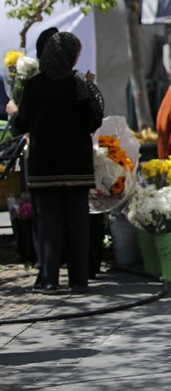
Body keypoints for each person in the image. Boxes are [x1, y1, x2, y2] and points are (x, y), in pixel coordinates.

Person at [13, 32, 104, 293]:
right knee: (77, 222)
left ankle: (49, 279)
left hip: (44, 166)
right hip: (76, 166)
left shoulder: (34, 85)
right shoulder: (79, 85)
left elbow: (21, 123)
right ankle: (79, 280)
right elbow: (93, 120)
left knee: (49, 223)